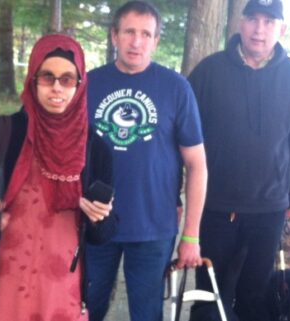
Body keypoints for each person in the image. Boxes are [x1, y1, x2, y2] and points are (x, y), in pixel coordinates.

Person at [0, 34, 115, 321]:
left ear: (80, 84)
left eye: (67, 79)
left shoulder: (95, 148)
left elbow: (104, 235)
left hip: (63, 287)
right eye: (47, 77)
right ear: (32, 78)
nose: (56, 88)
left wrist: (100, 218)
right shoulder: (0, 132)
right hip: (3, 281)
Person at [186, 0, 290, 320]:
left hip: (269, 209)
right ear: (240, 24)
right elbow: (185, 135)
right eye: (253, 20)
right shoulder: (208, 71)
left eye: (269, 22)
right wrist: (181, 193)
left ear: (281, 29)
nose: (260, 29)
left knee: (255, 294)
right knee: (210, 292)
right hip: (215, 207)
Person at [85, 1, 209, 320]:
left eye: (145, 34)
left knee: (146, 313)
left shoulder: (176, 88)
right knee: (85, 306)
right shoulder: (87, 84)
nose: (136, 41)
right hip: (94, 220)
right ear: (114, 36)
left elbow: (197, 165)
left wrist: (191, 235)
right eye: (129, 32)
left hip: (153, 225)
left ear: (155, 41)